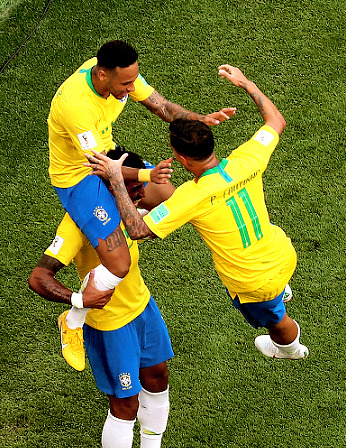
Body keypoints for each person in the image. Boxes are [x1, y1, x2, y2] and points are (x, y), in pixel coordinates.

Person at [84, 65, 309, 360]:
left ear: (180, 158)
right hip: (281, 252)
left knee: (275, 320)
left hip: (253, 281)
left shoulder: (191, 197)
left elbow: (138, 230)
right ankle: (280, 290)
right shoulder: (246, 159)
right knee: (274, 282)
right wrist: (246, 84)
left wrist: (116, 178)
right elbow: (275, 120)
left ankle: (289, 349)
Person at [48, 39, 236, 315]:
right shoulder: (76, 107)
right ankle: (75, 317)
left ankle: (122, 213)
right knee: (120, 264)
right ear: (103, 75)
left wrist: (198, 119)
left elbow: (161, 106)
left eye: (134, 79)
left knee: (171, 200)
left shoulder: (119, 75)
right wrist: (149, 173)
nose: (132, 88)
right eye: (126, 84)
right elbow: (102, 167)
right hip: (79, 177)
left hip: (108, 156)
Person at [29, 148, 174, 448]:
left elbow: (168, 196)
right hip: (109, 325)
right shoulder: (78, 222)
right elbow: (39, 278)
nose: (139, 196)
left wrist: (141, 179)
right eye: (133, 190)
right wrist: (78, 302)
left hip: (143, 307)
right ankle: (70, 322)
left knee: (158, 378)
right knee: (125, 405)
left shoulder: (129, 194)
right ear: (108, 186)